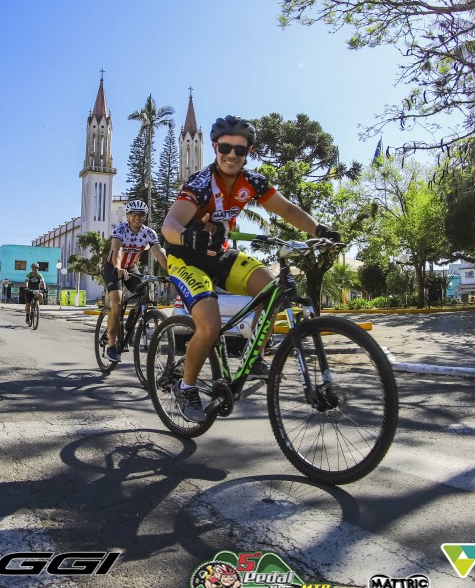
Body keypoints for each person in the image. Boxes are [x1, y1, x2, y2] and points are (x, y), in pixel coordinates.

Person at [161, 115, 340, 422]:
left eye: (239, 150)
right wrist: (187, 236)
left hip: (219, 254)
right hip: (186, 257)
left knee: (271, 289)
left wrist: (319, 229)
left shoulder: (252, 182)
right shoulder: (200, 184)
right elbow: (169, 224)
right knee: (210, 325)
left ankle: (253, 356)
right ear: (215, 148)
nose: (231, 155)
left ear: (249, 152)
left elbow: (287, 209)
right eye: (225, 148)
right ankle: (186, 386)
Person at [102, 199, 169, 362]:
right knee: (117, 302)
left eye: (141, 215)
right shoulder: (120, 229)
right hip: (113, 267)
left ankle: (129, 324)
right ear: (128, 216)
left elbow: (159, 253)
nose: (137, 217)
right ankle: (112, 346)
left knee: (144, 294)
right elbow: (117, 249)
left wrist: (172, 272)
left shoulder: (149, 233)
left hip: (131, 268)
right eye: (133, 214)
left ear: (145, 217)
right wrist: (118, 267)